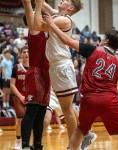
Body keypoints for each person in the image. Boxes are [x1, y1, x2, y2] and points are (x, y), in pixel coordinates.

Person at [44, 15, 118, 150]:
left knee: (80, 130)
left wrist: (52, 24)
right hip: (109, 100)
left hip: (89, 99)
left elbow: (66, 40)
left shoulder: (92, 49)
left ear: (106, 41)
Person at [34, 1, 97, 149]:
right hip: (57, 66)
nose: (62, 0)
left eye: (66, 0)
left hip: (61, 66)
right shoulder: (59, 14)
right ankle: (85, 135)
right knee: (67, 107)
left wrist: (36, 7)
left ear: (70, 8)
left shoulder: (62, 19)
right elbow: (45, 5)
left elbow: (38, 26)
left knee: (67, 110)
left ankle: (73, 146)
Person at [21, 0, 50, 149]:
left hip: (46, 75)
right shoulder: (34, 31)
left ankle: (37, 144)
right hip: (36, 74)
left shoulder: (45, 32)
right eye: (38, 16)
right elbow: (27, 4)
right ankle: (25, 144)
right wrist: (38, 4)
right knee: (32, 111)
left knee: (41, 113)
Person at [10, 46, 29, 149]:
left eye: (28, 52)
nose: (26, 54)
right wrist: (20, 96)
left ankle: (26, 141)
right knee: (20, 119)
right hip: (19, 96)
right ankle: (18, 140)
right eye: (24, 52)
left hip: (31, 98)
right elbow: (12, 85)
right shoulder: (16, 68)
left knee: (30, 121)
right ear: (21, 54)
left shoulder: (34, 68)